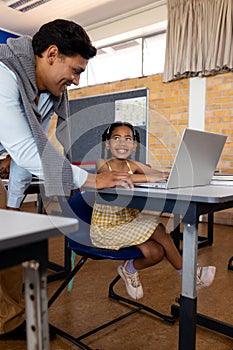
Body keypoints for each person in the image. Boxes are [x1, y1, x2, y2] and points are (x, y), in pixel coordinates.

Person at [0, 19, 133, 337]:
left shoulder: (47, 95)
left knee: (12, 246)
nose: (75, 81)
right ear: (51, 54)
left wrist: (14, 205)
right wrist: (90, 180)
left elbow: (28, 152)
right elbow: (27, 151)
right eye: (75, 71)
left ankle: (10, 319)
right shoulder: (4, 73)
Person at [90, 121, 216, 300]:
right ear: (107, 144)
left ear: (134, 145)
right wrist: (149, 176)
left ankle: (128, 269)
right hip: (107, 229)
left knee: (156, 253)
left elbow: (156, 173)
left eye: (128, 139)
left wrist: (171, 174)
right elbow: (117, 177)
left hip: (128, 224)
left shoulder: (132, 164)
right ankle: (189, 275)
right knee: (158, 229)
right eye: (116, 138)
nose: (122, 143)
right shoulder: (102, 163)